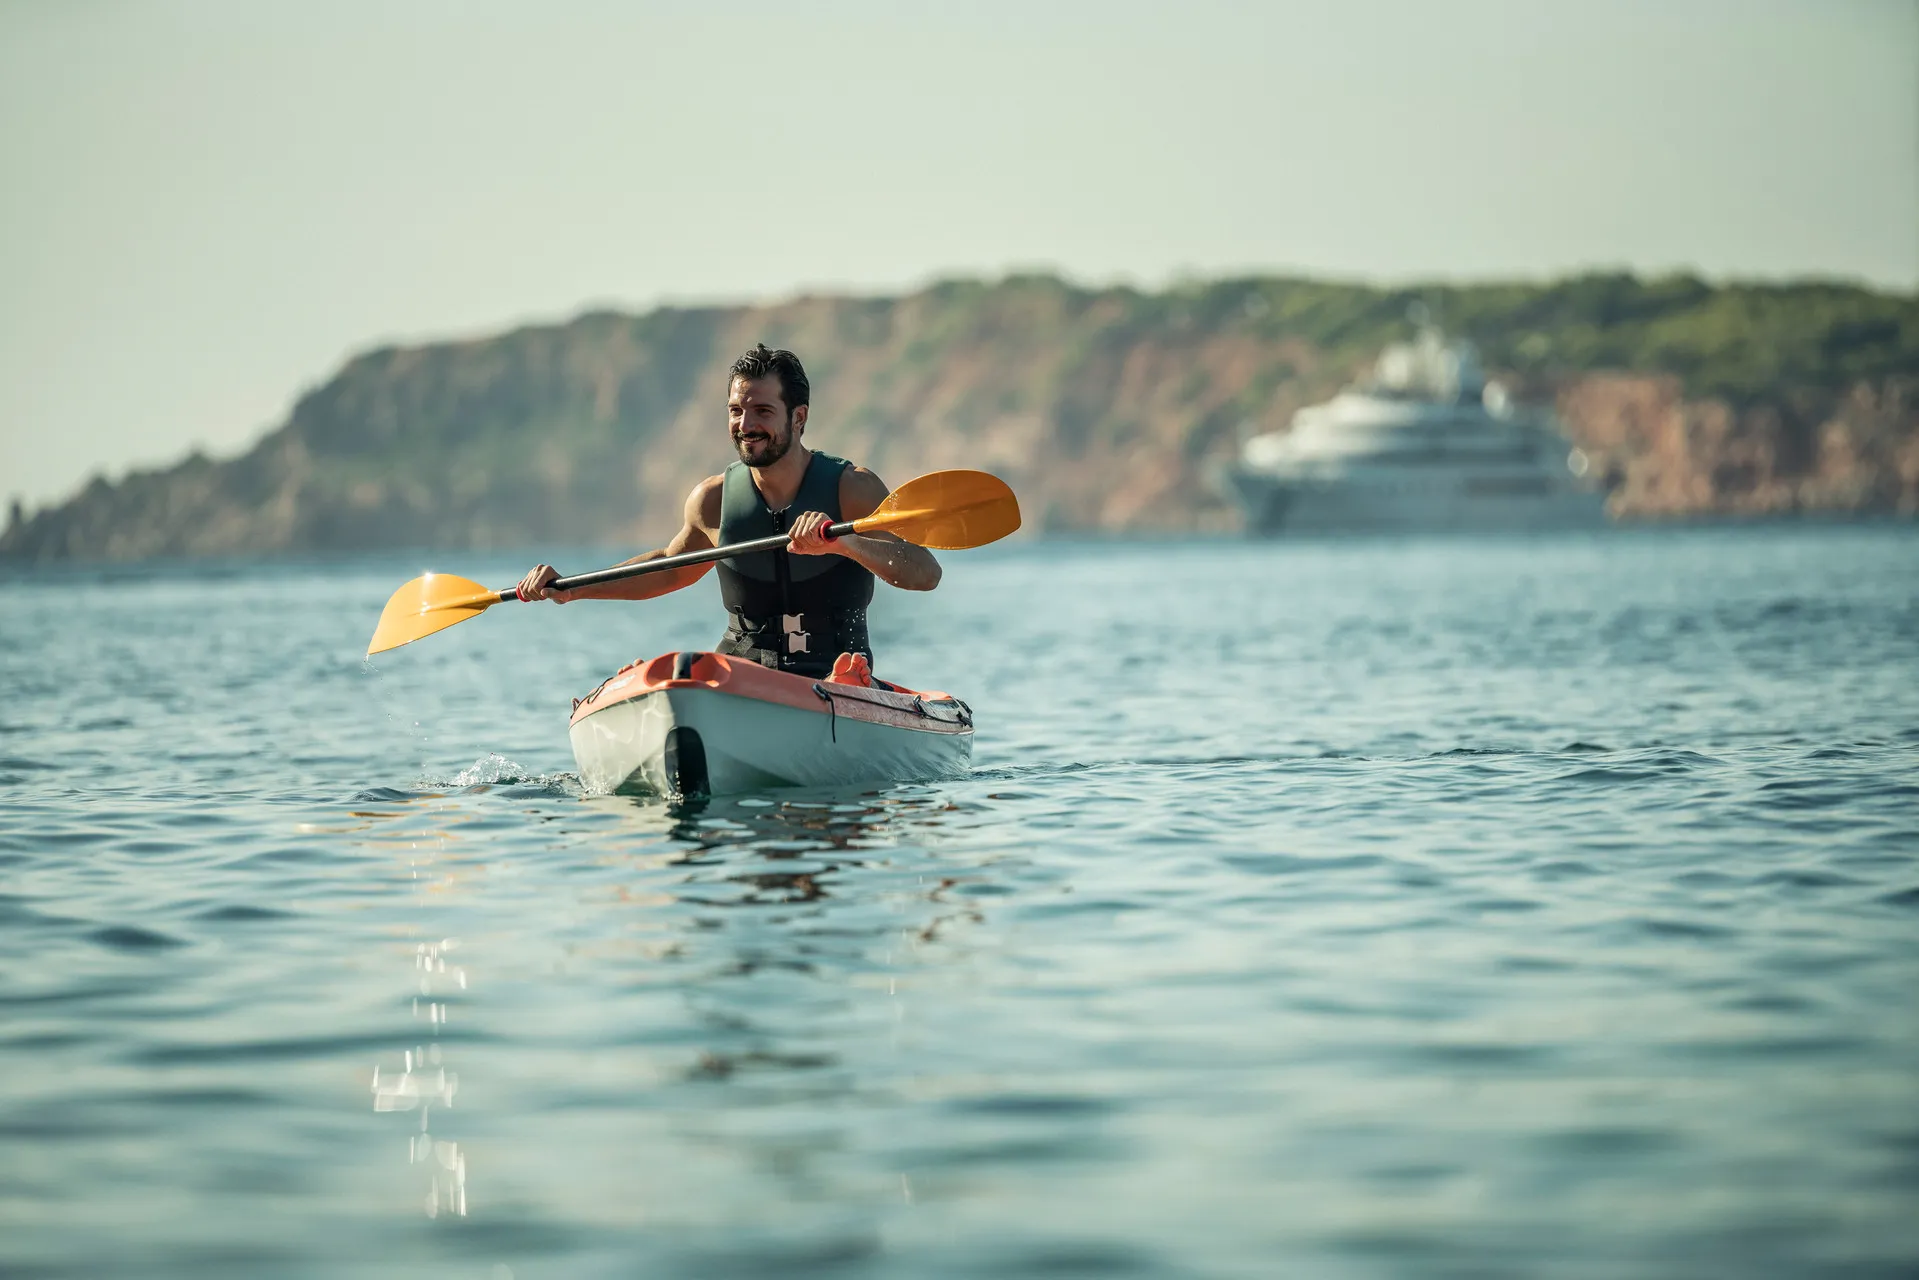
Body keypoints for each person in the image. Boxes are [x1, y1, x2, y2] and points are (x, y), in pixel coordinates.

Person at [516, 343, 940, 678]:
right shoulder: (712, 500)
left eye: (762, 411)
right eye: (736, 411)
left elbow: (925, 573)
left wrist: (846, 543)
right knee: (678, 673)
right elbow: (668, 567)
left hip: (837, 675)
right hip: (743, 675)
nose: (745, 424)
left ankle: (846, 688)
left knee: (840, 680)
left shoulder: (853, 488)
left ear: (799, 418)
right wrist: (572, 587)